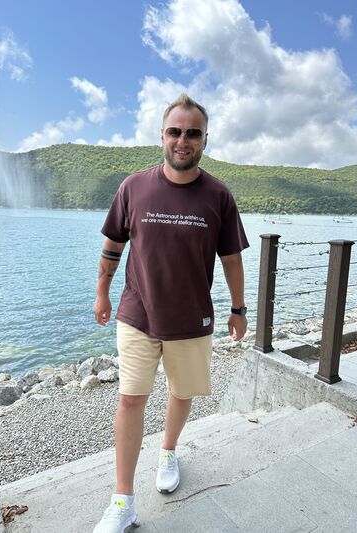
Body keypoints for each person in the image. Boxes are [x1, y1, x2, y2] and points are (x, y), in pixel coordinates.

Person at [92, 93, 249, 533]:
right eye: (175, 131)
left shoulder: (219, 195)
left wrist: (238, 308)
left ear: (205, 140)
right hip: (137, 314)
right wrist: (102, 293)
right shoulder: (133, 187)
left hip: (192, 318)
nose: (183, 140)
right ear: (162, 136)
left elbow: (231, 258)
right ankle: (123, 501)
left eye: (193, 133)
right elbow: (113, 246)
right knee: (130, 398)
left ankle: (167, 451)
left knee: (182, 392)